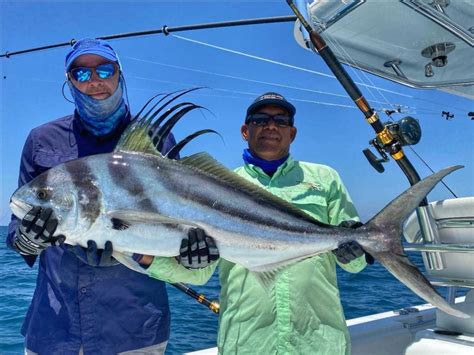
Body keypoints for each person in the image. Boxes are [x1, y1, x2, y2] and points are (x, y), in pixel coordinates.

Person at [6, 38, 213, 354]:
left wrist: (191, 254)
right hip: (54, 326)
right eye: (82, 74)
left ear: (119, 73)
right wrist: (27, 240)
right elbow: (17, 228)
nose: (95, 81)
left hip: (134, 327)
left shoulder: (156, 139)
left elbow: (177, 219)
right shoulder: (41, 139)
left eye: (104, 69)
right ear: (70, 81)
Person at [137, 92, 372, 354]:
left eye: (281, 121)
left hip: (318, 342)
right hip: (248, 342)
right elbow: (199, 273)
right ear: (245, 131)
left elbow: (356, 265)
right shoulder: (217, 186)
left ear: (292, 133)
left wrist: (355, 251)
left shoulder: (326, 179)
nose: (271, 126)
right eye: (260, 120)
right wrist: (145, 257)